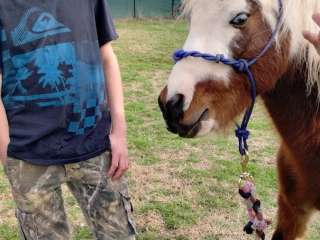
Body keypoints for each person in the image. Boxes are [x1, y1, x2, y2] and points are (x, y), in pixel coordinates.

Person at [0, 0, 136, 239]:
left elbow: (108, 59)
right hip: (28, 154)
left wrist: (120, 132)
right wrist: (6, 154)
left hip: (95, 143)